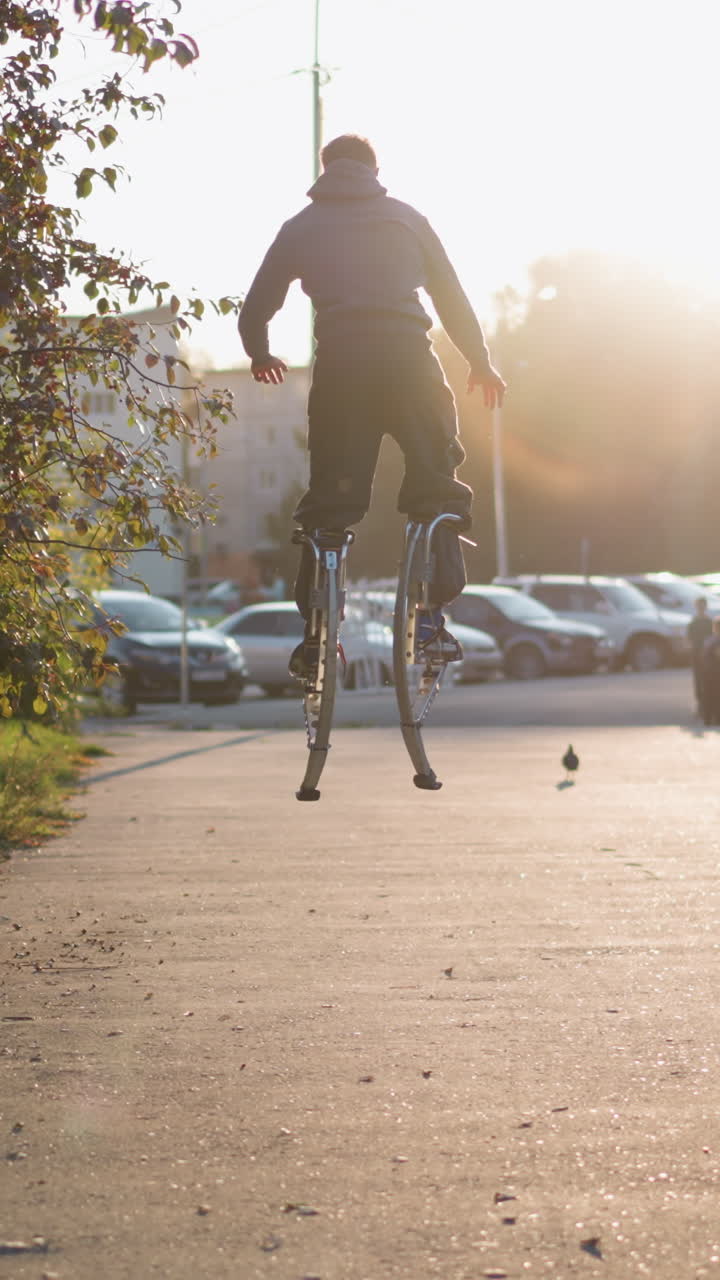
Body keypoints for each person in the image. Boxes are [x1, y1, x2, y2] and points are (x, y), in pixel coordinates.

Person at [237, 133, 506, 679]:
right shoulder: (405, 217)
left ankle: (315, 632)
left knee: (329, 507)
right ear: (374, 169)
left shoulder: (300, 227)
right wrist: (480, 361)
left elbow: (255, 306)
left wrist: (261, 353)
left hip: (342, 374)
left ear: (325, 169)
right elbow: (451, 296)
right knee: (436, 483)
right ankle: (430, 618)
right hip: (410, 365)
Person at [687, 596, 712, 714]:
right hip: (697, 654)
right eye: (699, 605)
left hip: (708, 655)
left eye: (702, 605)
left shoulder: (709, 622)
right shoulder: (693, 622)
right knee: (698, 680)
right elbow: (689, 639)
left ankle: (708, 703)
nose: (701, 608)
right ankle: (701, 703)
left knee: (708, 679)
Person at [701, 617, 720, 726]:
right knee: (714, 695)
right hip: (713, 672)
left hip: (709, 671)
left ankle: (708, 718)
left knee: (710, 695)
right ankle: (713, 718)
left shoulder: (708, 640)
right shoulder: (712, 641)